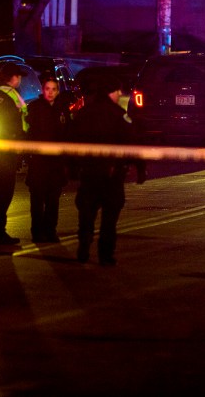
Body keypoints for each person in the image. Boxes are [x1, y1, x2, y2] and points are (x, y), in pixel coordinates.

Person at [69, 74, 146, 266]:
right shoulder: (119, 115)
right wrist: (140, 169)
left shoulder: (85, 113)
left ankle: (84, 247)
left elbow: (71, 140)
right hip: (112, 175)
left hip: (89, 173)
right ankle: (105, 254)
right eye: (118, 90)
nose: (120, 94)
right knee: (109, 218)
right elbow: (132, 143)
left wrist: (72, 167)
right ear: (112, 92)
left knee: (86, 215)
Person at [0, 61, 29, 245]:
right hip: (5, 150)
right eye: (18, 76)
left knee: (1, 191)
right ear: (12, 77)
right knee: (3, 191)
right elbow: (9, 123)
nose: (19, 80)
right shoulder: (4, 95)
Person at [24, 73, 72, 243]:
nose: (50, 92)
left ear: (58, 91)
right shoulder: (35, 108)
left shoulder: (62, 109)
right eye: (47, 89)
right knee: (37, 199)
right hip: (39, 161)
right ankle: (37, 231)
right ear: (43, 90)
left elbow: (67, 133)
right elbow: (28, 133)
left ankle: (50, 230)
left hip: (56, 163)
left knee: (53, 199)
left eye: (54, 89)